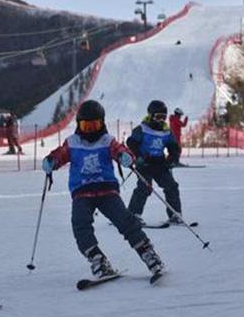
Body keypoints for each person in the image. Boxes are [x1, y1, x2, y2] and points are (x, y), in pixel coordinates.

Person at [42, 100, 164, 279]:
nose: (90, 130)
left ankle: (148, 253)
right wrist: (51, 161)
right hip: (82, 192)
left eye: (95, 125)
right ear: (79, 125)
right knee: (80, 224)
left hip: (107, 190)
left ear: (102, 123)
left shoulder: (107, 141)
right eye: (86, 126)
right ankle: (96, 258)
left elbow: (120, 150)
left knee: (126, 221)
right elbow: (60, 154)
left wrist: (126, 156)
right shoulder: (73, 142)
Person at [127, 100, 183, 226]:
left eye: (163, 117)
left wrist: (171, 159)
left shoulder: (166, 131)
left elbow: (174, 147)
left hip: (159, 164)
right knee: (145, 187)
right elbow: (131, 143)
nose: (160, 120)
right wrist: (139, 156)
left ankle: (175, 214)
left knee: (171, 186)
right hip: (144, 164)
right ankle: (133, 214)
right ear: (151, 115)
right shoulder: (142, 129)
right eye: (158, 117)